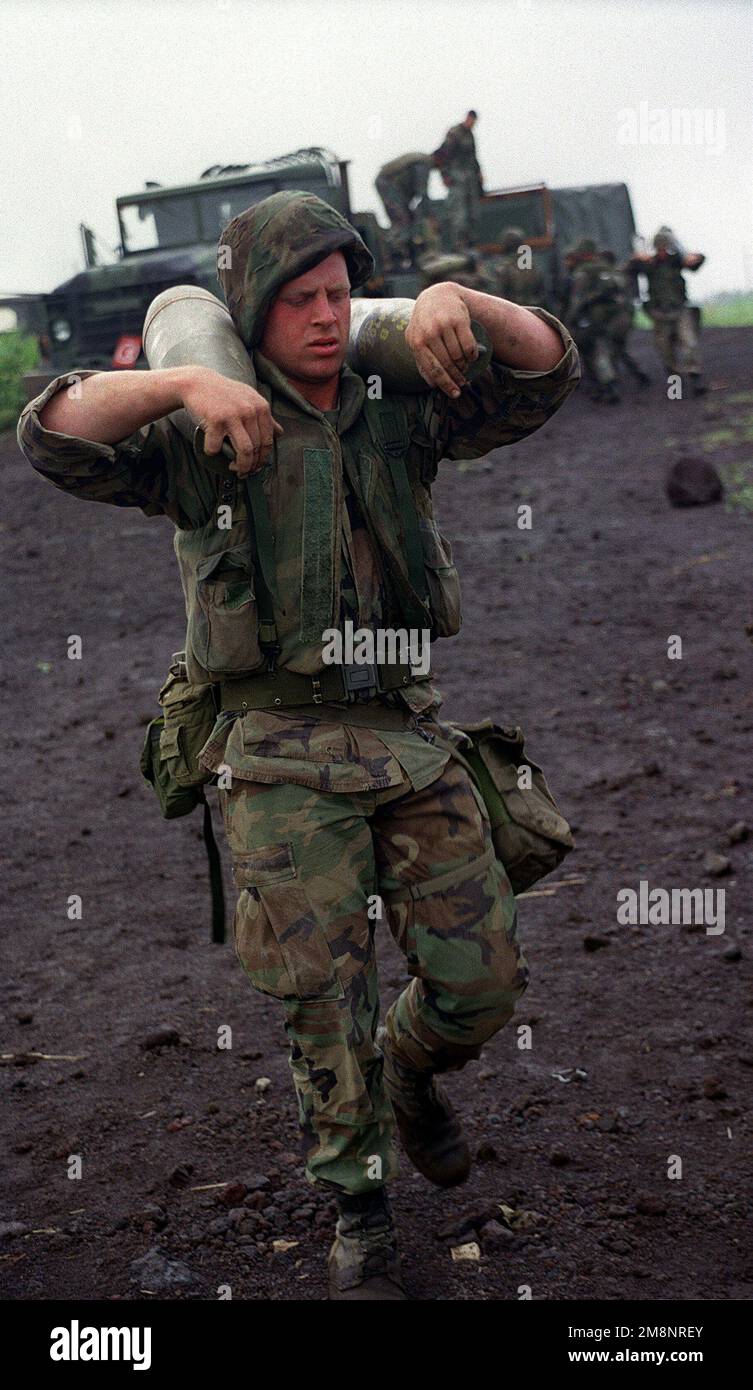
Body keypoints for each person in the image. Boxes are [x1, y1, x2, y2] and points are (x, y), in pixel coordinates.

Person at [17, 190, 580, 1301]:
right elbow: (51, 435)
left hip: (408, 739)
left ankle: (413, 1076)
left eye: (340, 294)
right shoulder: (204, 432)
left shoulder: (399, 405)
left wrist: (458, 300)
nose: (327, 317)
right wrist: (184, 380)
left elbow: (545, 372)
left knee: (483, 984)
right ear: (252, 310)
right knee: (322, 994)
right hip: (276, 747)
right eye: (301, 299)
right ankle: (360, 1205)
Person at [626, 227, 706, 394]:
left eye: (665, 248)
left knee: (689, 342)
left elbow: (695, 263)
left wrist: (697, 258)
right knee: (665, 349)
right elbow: (627, 271)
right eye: (660, 248)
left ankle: (695, 376)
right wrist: (635, 259)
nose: (662, 251)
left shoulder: (676, 261)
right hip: (659, 312)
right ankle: (675, 387)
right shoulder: (648, 264)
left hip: (680, 309)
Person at [562, 238, 623, 404]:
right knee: (604, 350)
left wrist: (568, 321)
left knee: (594, 352)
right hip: (612, 317)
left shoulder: (583, 272)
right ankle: (608, 385)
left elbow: (577, 300)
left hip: (591, 319)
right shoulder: (606, 267)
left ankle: (608, 386)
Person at [375, 151, 436, 269]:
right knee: (402, 221)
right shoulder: (423, 164)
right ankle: (393, 256)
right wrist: (429, 215)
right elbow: (422, 192)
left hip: (392, 187)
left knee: (406, 219)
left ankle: (404, 253)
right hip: (388, 184)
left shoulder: (421, 160)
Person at [433, 110, 484, 249]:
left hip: (470, 179)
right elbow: (442, 155)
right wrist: (445, 176)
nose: (472, 124)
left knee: (473, 213)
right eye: (471, 121)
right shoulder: (454, 133)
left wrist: (479, 173)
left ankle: (471, 242)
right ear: (467, 118)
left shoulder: (470, 135)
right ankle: (459, 244)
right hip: (457, 179)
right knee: (458, 213)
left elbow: (473, 157)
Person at [600, 249, 650, 387]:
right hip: (623, 317)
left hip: (617, 318)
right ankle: (637, 375)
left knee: (613, 348)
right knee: (617, 348)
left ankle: (612, 381)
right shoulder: (619, 273)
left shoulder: (611, 275)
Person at [487, 226, 546, 307]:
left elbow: (500, 292)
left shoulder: (505, 265)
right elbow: (542, 289)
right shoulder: (533, 264)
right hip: (533, 308)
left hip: (513, 309)